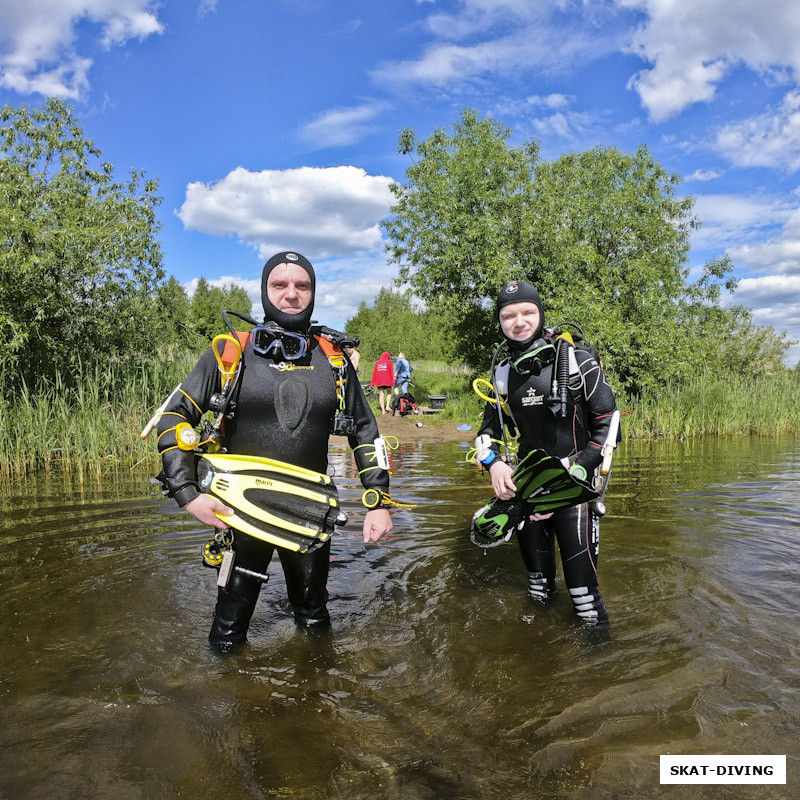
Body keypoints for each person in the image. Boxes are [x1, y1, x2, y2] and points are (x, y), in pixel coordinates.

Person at [156, 251, 393, 649]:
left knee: (315, 621)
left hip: (309, 511)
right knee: (227, 633)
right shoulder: (230, 351)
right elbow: (174, 417)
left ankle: (317, 700)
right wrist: (186, 494)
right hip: (241, 513)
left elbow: (366, 431)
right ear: (265, 291)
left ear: (313, 293)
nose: (291, 294)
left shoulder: (333, 359)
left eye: (302, 286)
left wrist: (379, 501)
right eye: (279, 285)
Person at [477, 280, 618, 625]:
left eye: (528, 312)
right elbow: (487, 433)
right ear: (500, 322)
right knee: (538, 590)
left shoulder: (578, 362)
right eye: (508, 315)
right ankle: (537, 653)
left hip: (574, 488)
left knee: (584, 598)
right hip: (528, 491)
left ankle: (598, 667)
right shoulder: (502, 373)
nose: (519, 321)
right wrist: (494, 464)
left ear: (540, 315)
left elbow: (609, 426)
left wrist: (577, 468)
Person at [370, 351, 395, 415]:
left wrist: (372, 383)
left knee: (381, 394)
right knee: (389, 392)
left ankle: (383, 410)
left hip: (379, 381)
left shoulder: (377, 362)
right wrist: (393, 382)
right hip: (388, 380)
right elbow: (391, 372)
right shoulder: (389, 362)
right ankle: (387, 406)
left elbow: (374, 373)